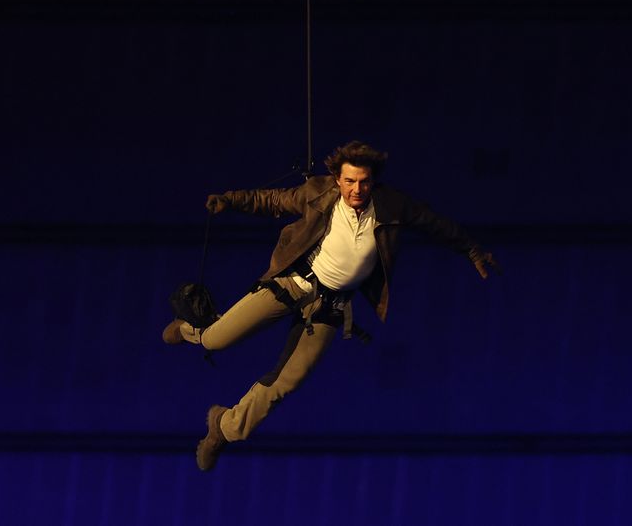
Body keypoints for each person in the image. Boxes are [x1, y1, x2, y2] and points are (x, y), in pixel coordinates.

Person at [162, 140, 500, 471]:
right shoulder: (319, 192)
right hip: (292, 284)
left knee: (287, 382)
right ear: (338, 179)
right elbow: (274, 200)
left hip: (330, 307)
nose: (357, 190)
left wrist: (472, 250)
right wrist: (230, 200)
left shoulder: (391, 205)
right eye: (350, 181)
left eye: (364, 182)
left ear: (373, 181)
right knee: (217, 339)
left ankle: (223, 427)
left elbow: (435, 223)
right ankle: (190, 330)